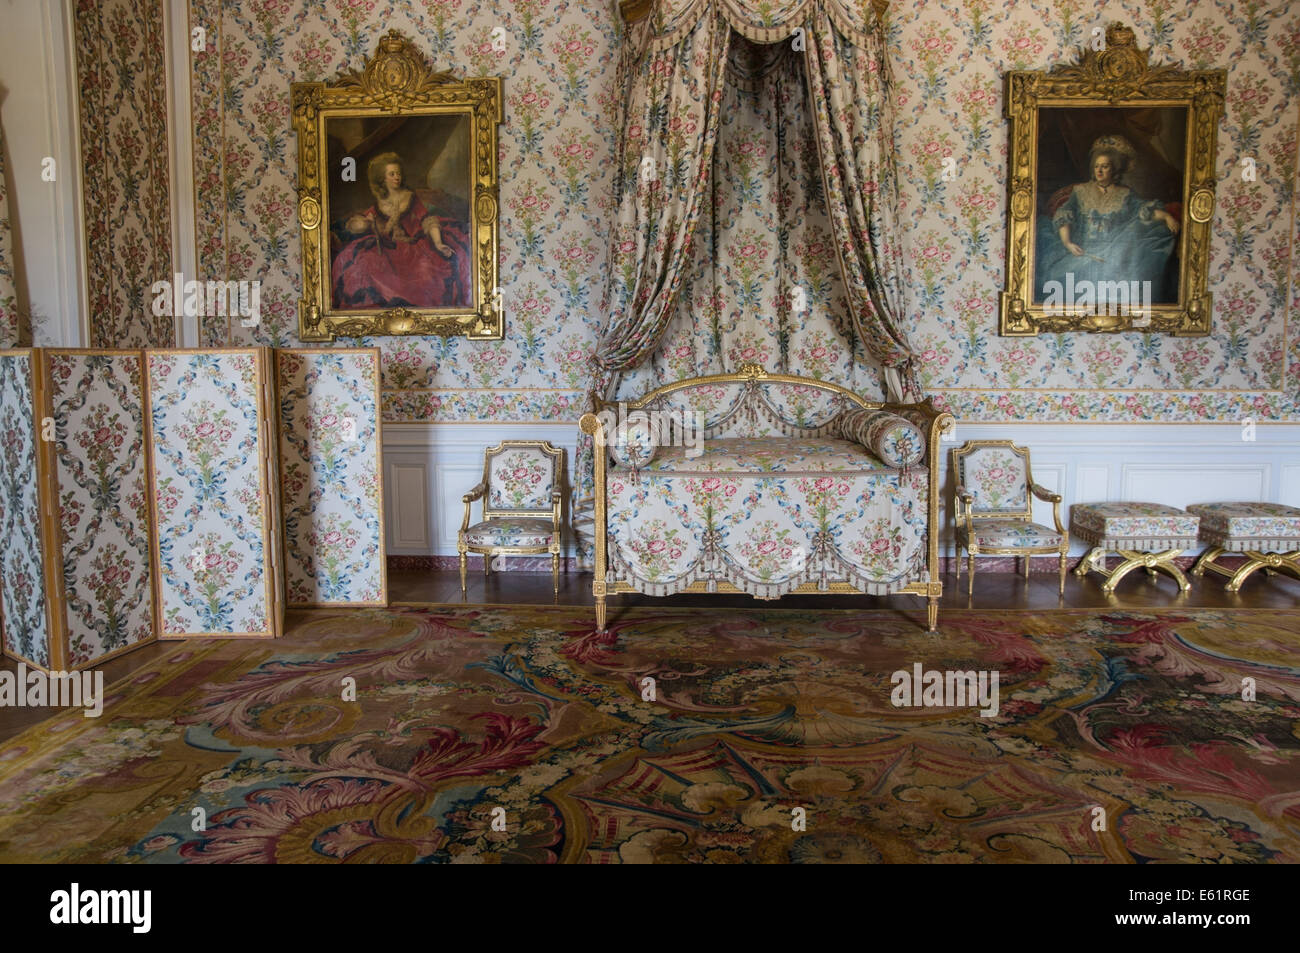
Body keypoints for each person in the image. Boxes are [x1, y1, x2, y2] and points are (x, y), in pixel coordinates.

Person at [1035, 135, 1180, 306]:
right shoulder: (1080, 191)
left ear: (1114, 169)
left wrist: (1167, 216)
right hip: (1082, 248)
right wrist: (1067, 243)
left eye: (1104, 167)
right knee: (1059, 276)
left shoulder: (1125, 193)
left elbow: (1143, 211)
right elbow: (1064, 215)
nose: (1099, 171)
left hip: (1114, 249)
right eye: (1097, 166)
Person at [331, 152, 471, 310]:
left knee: (427, 271)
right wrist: (364, 223)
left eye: (398, 173)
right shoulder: (379, 204)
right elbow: (356, 226)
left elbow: (428, 221)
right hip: (388, 250)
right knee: (363, 264)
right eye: (391, 174)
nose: (397, 177)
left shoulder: (409, 197)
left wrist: (438, 243)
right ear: (382, 179)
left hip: (415, 247)